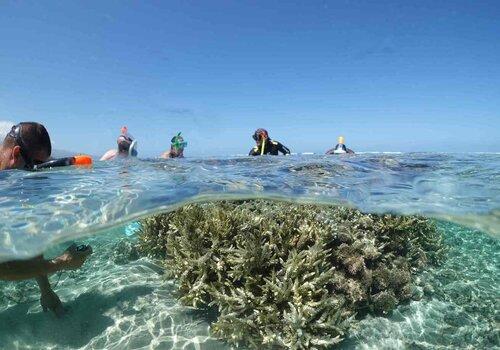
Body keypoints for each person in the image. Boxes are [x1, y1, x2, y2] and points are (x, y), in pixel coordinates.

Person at [0, 122, 93, 316]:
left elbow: (31, 237)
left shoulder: (14, 183)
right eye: (33, 167)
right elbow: (3, 270)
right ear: (16, 153)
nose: (33, 176)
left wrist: (46, 290)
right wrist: (61, 262)